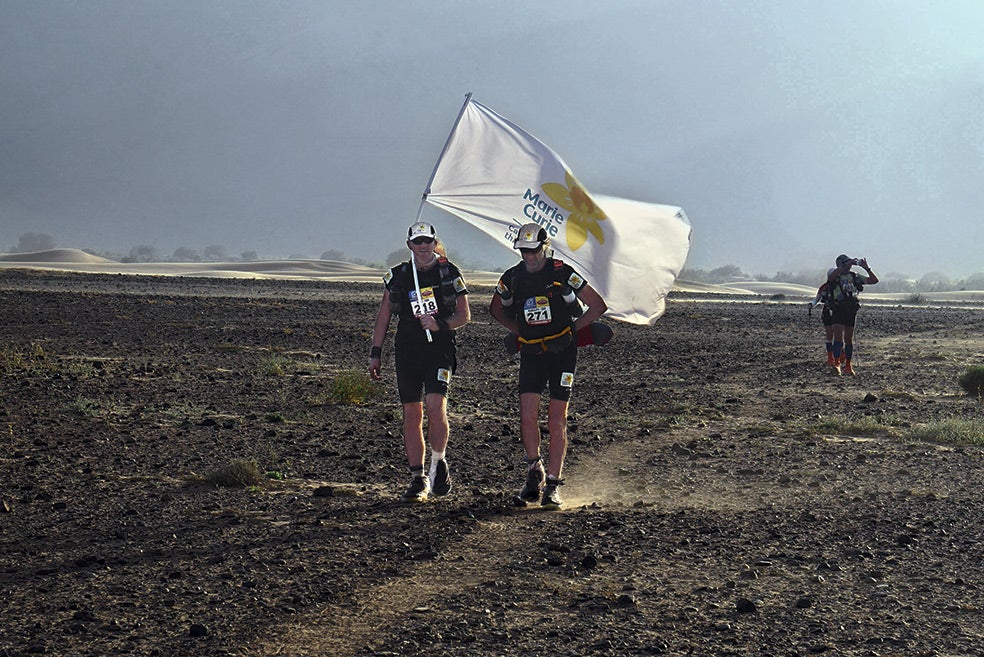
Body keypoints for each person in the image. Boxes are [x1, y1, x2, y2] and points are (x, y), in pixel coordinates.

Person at [489, 223, 608, 509]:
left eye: (534, 250)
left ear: (545, 246)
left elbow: (597, 305)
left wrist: (573, 330)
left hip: (562, 353)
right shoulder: (512, 278)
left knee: (557, 419)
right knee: (527, 416)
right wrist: (517, 330)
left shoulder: (562, 273)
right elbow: (494, 308)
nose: (529, 255)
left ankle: (553, 485)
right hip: (532, 352)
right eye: (523, 250)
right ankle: (534, 470)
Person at [369, 222, 471, 501]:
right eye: (418, 242)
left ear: (434, 242)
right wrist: (375, 352)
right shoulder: (399, 276)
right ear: (410, 245)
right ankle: (417, 478)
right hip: (407, 349)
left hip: (439, 349)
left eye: (427, 241)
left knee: (435, 405)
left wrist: (440, 325)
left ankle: (438, 463)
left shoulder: (449, 272)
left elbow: (464, 316)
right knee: (412, 414)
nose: (423, 247)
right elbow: (383, 316)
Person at [826, 254, 878, 375]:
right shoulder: (835, 275)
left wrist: (867, 268)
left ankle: (848, 365)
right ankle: (837, 363)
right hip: (838, 308)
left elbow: (874, 280)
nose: (849, 266)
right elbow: (831, 278)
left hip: (850, 309)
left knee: (848, 339)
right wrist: (846, 264)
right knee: (838, 338)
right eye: (845, 263)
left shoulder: (854, 276)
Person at [808, 271, 836, 366]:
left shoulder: (840, 285)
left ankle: (840, 355)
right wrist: (812, 305)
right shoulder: (824, 287)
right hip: (827, 311)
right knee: (829, 335)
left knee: (838, 335)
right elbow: (817, 299)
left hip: (839, 311)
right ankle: (830, 357)